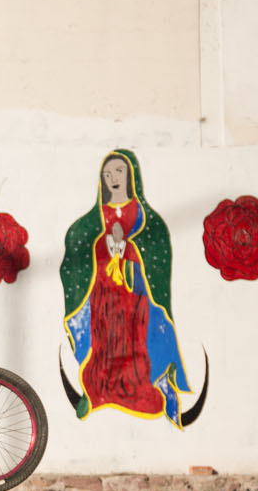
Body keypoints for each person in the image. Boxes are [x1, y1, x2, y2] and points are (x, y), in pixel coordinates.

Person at [60, 149, 190, 424]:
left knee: (135, 338)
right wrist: (102, 246)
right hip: (104, 291)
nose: (113, 178)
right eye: (107, 174)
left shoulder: (146, 217)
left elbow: (156, 251)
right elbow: (79, 240)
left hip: (135, 289)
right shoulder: (95, 219)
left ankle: (145, 391)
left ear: (131, 176)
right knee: (104, 341)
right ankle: (97, 392)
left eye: (119, 171)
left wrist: (127, 248)